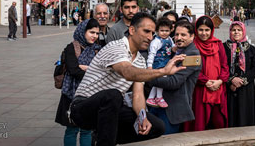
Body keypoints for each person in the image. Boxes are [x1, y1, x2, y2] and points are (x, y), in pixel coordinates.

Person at [68, 12, 185, 145]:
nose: (150, 37)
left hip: (110, 110)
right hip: (83, 107)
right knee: (114, 95)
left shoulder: (140, 60)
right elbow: (128, 72)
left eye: (152, 33)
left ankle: (103, 138)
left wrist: (143, 117)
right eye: (146, 31)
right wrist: (163, 71)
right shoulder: (116, 47)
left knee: (157, 126)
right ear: (132, 30)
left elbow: (137, 95)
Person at [147, 19, 201, 134]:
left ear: (192, 37)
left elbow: (174, 82)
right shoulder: (174, 50)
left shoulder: (192, 54)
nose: (179, 37)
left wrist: (148, 78)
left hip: (172, 108)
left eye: (183, 35)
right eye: (176, 34)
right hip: (157, 104)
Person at [55, 19, 101, 146]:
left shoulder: (97, 49)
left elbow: (102, 70)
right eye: (92, 32)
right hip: (71, 94)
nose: (95, 36)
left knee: (86, 130)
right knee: (72, 129)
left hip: (91, 94)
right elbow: (73, 70)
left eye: (97, 33)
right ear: (83, 31)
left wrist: (85, 68)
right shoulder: (72, 48)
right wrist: (91, 70)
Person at [184, 16, 229, 131]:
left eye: (207, 30)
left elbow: (225, 66)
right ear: (196, 30)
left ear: (212, 30)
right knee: (199, 123)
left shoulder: (218, 44)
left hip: (218, 89)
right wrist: (205, 81)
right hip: (200, 90)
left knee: (218, 122)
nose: (204, 33)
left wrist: (219, 81)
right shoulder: (192, 46)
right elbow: (190, 68)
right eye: (201, 30)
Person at [224, 21, 255, 127]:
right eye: (233, 30)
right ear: (230, 31)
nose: (236, 32)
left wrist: (241, 81)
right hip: (229, 88)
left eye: (239, 30)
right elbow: (222, 67)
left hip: (246, 88)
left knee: (245, 115)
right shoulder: (223, 47)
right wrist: (231, 80)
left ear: (243, 31)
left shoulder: (251, 49)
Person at [146, 18, 175, 108]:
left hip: (166, 63)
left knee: (158, 82)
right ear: (157, 30)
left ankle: (151, 98)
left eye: (167, 30)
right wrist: (149, 65)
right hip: (158, 64)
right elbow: (151, 54)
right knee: (161, 80)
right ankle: (159, 97)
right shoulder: (156, 41)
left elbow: (173, 47)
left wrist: (176, 48)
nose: (164, 33)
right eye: (162, 30)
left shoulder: (170, 39)